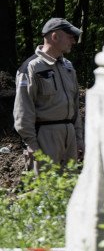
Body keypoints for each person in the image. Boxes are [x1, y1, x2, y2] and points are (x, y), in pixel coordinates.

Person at [14, 18, 84, 172]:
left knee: (69, 187)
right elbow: (23, 109)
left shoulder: (68, 67)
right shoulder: (31, 67)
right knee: (46, 189)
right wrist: (31, 143)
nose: (73, 41)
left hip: (69, 137)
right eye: (70, 36)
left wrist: (78, 138)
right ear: (55, 36)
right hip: (45, 137)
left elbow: (75, 106)